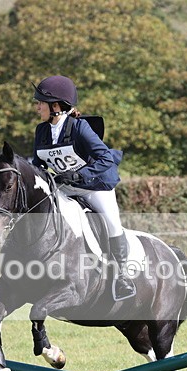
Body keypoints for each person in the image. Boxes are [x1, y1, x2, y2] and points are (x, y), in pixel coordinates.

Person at [31, 75, 136, 300]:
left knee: (112, 223)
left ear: (56, 106)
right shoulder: (41, 131)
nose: (37, 106)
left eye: (41, 102)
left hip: (94, 185)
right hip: (66, 187)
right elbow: (38, 164)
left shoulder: (79, 127)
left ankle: (123, 277)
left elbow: (105, 158)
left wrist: (80, 174)